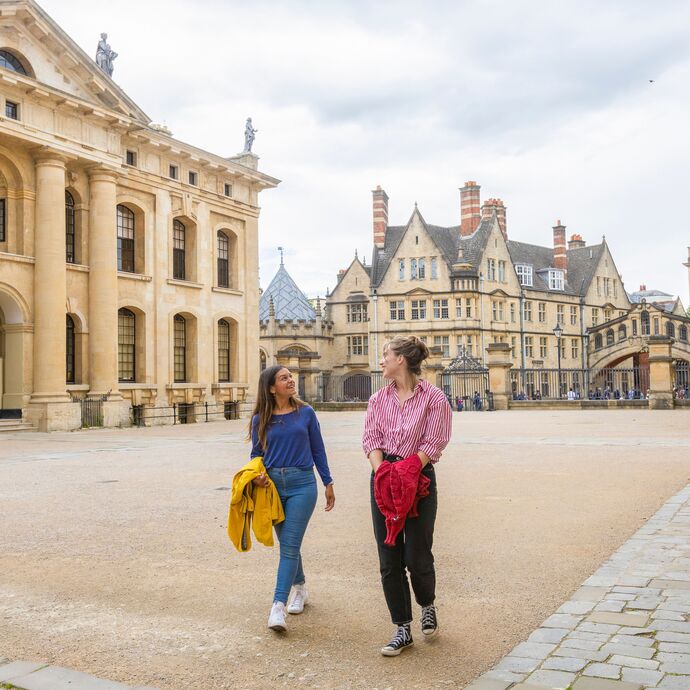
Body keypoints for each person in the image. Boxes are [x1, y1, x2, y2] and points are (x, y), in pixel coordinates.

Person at [362, 336, 452, 656]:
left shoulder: (434, 398)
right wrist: (382, 472)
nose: (382, 359)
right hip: (385, 478)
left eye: (386, 354)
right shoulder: (377, 399)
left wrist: (412, 467)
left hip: (420, 478)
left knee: (416, 554)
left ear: (401, 359)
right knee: (389, 559)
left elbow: (436, 439)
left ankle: (427, 603)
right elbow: (371, 438)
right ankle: (402, 628)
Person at [249, 365, 335, 632]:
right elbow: (256, 454)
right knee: (289, 544)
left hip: (302, 484)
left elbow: (318, 449)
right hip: (272, 487)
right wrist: (256, 476)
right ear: (272, 388)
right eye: (283, 378)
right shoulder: (260, 419)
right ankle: (300, 588)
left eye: (290, 376)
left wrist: (327, 481)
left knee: (288, 545)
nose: (290, 380)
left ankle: (277, 606)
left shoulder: (306, 413)